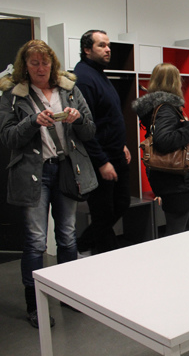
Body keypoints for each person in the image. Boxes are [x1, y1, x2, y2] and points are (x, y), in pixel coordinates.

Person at [0, 39, 97, 328]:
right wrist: (32, 122)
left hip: (66, 169)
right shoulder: (13, 96)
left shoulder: (69, 90)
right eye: (34, 62)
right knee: (36, 241)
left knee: (67, 235)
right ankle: (35, 305)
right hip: (34, 174)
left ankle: (69, 295)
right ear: (25, 67)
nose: (41, 67)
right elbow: (8, 138)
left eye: (45, 62)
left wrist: (78, 119)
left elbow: (90, 131)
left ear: (52, 65)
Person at [74, 30, 131, 255]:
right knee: (103, 213)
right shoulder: (84, 78)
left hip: (115, 152)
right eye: (101, 45)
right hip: (100, 158)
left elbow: (110, 117)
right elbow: (84, 127)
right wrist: (102, 162)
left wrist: (122, 144)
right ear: (87, 49)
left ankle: (85, 245)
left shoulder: (99, 74)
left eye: (108, 45)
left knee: (121, 204)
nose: (108, 49)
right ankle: (95, 253)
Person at [132, 63, 189, 235]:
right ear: (172, 82)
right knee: (178, 230)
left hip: (177, 182)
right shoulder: (166, 109)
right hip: (175, 182)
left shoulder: (161, 108)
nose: (181, 83)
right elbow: (163, 140)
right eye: (178, 79)